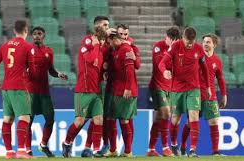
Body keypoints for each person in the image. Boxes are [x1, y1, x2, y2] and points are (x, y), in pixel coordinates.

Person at [158, 27, 211, 157]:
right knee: (175, 120)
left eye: (192, 42)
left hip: (194, 89)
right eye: (188, 41)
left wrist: (208, 87)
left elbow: (204, 69)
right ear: (183, 38)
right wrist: (164, 71)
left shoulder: (198, 49)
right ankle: (175, 144)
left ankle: (192, 150)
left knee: (193, 116)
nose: (189, 44)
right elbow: (162, 63)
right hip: (177, 89)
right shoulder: (176, 46)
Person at [62, 16, 109, 158]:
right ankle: (67, 142)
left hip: (96, 90)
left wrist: (105, 72)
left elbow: (99, 67)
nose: (107, 27)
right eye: (105, 25)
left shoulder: (101, 48)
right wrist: (96, 45)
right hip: (84, 89)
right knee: (80, 121)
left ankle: (95, 151)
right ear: (97, 27)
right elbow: (91, 61)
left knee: (99, 119)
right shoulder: (86, 45)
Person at [180, 33, 227, 156]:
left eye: (208, 42)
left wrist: (224, 95)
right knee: (190, 123)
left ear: (214, 45)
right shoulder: (197, 56)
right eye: (204, 41)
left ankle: (215, 152)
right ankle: (183, 147)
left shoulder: (217, 61)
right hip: (195, 94)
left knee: (214, 122)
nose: (205, 44)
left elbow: (220, 78)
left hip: (210, 96)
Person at [0, 20, 33, 159]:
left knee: (7, 120)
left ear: (14, 31)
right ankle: (21, 150)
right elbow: (32, 69)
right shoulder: (27, 46)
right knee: (25, 118)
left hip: (6, 88)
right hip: (19, 86)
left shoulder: (5, 46)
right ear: (26, 30)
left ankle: (9, 152)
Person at [25, 26, 68, 157]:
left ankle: (43, 145)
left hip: (44, 92)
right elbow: (21, 67)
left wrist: (59, 74)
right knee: (28, 121)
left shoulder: (49, 51)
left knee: (50, 119)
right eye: (34, 34)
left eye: (39, 33)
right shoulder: (27, 50)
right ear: (32, 36)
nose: (37, 36)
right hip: (30, 92)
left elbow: (51, 70)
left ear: (43, 35)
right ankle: (27, 149)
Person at [98, 23, 140, 156]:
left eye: (109, 42)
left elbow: (130, 69)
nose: (108, 44)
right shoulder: (114, 50)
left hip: (125, 91)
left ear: (113, 40)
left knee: (124, 119)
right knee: (110, 118)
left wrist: (128, 88)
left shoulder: (126, 49)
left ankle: (128, 151)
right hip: (114, 90)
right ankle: (113, 150)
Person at [146, 27, 181, 157]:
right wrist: (166, 70)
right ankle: (166, 148)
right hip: (157, 86)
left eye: (171, 39)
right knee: (166, 113)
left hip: (170, 88)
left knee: (158, 118)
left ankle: (150, 149)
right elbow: (159, 63)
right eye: (167, 37)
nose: (167, 40)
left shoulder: (179, 49)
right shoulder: (158, 46)